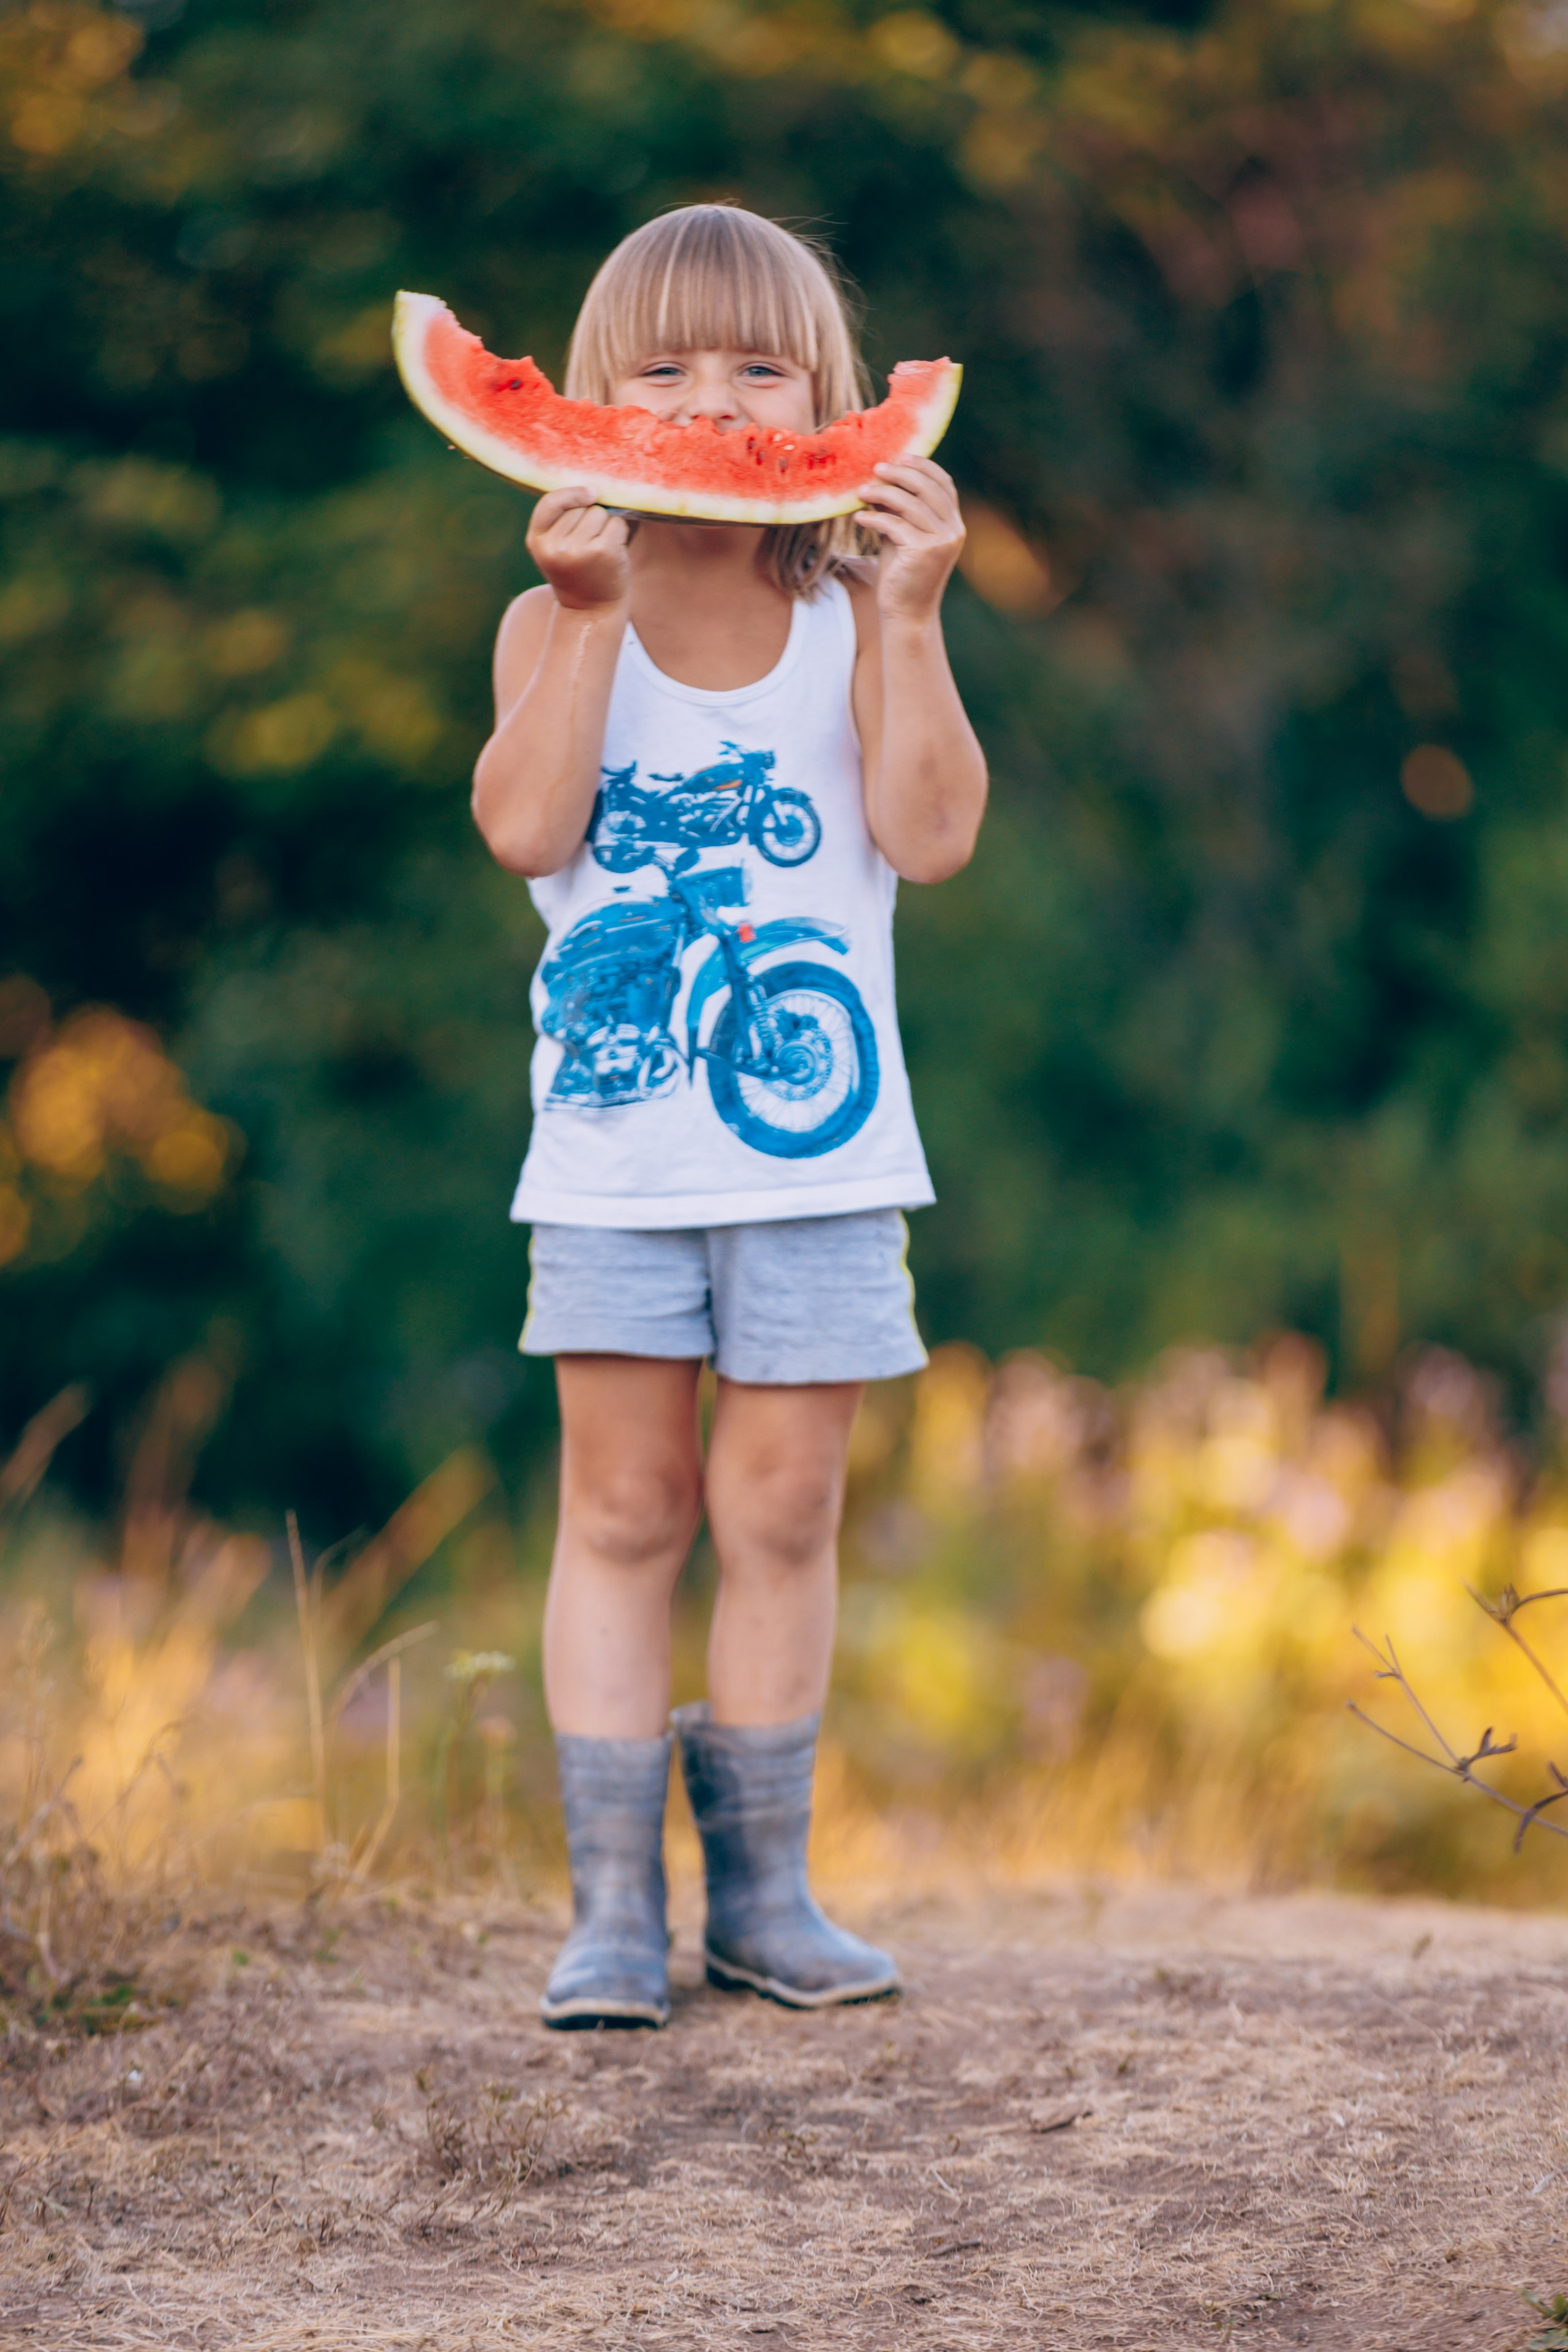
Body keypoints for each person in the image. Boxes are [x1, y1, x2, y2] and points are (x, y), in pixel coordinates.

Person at [472, 203, 987, 2028]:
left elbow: (933, 835)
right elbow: (526, 830)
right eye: (664, 368)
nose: (712, 401)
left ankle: (765, 1898)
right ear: (588, 400)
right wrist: (587, 619)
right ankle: (613, 1910)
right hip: (612, 1161)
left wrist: (912, 613)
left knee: (784, 1506)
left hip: (826, 1168)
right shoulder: (551, 619)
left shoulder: (852, 618)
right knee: (624, 1510)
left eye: (762, 367)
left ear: (829, 396)